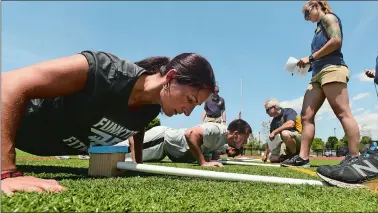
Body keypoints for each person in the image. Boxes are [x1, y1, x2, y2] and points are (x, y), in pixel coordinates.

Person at [1, 50, 216, 196]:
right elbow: (9, 83)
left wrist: (137, 163)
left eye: (195, 106)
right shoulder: (104, 71)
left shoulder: (150, 107)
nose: (188, 113)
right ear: (170, 77)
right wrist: (7, 173)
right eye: (190, 100)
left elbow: (137, 127)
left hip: (30, 141)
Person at [281, 0, 361, 169]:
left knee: (342, 112)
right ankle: (303, 158)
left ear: (317, 6)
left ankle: (355, 156)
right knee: (306, 116)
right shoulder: (317, 28)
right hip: (316, 74)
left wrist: (310, 58)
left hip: (332, 69)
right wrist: (307, 64)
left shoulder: (329, 18)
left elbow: (336, 40)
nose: (306, 17)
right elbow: (320, 53)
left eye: (306, 13)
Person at [117, 119, 251, 166]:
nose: (244, 142)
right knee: (120, 151)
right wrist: (203, 162)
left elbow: (219, 150)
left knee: (126, 158)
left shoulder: (223, 140)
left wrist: (226, 153)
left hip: (165, 151)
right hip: (162, 139)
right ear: (235, 134)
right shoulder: (216, 129)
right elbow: (190, 134)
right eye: (244, 139)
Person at [262, 98, 302, 164]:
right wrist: (265, 154)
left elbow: (290, 124)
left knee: (284, 133)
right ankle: (287, 157)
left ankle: (294, 157)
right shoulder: (273, 122)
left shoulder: (289, 111)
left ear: (274, 107)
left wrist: (274, 132)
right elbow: (271, 140)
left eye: (267, 110)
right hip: (285, 143)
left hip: (299, 140)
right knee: (272, 158)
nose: (266, 113)